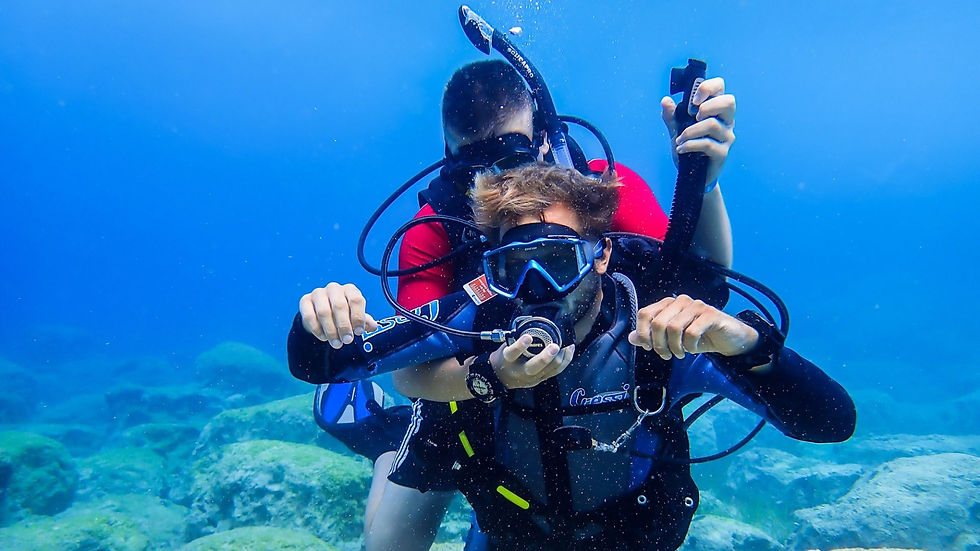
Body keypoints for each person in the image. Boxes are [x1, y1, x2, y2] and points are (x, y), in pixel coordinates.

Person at [297, 59, 738, 549]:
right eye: (472, 171)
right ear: (449, 157)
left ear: (544, 140)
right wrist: (492, 376)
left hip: (596, 398)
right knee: (388, 544)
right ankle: (383, 442)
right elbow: (410, 376)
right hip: (470, 400)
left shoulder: (601, 194)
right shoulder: (433, 229)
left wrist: (703, 182)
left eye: (510, 163)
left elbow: (702, 282)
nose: (495, 188)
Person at [299, 163, 855, 550]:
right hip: (510, 537)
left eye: (558, 261)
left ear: (603, 254)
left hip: (630, 541)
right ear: (491, 269)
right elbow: (321, 364)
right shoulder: (483, 313)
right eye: (515, 266)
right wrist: (318, 319)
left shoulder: (654, 338)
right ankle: (381, 437)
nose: (537, 287)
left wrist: (749, 345)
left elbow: (831, 422)